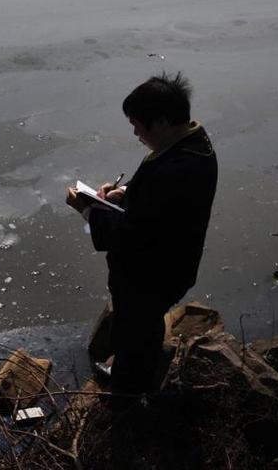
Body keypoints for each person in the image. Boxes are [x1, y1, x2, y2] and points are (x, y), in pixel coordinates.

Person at [65, 72, 217, 394]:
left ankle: (127, 398)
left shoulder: (178, 167)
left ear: (161, 121)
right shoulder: (190, 145)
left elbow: (132, 234)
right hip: (171, 265)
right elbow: (156, 203)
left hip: (152, 273)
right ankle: (134, 370)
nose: (135, 132)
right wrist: (124, 193)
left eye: (137, 124)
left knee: (137, 329)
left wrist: (89, 210)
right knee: (141, 326)